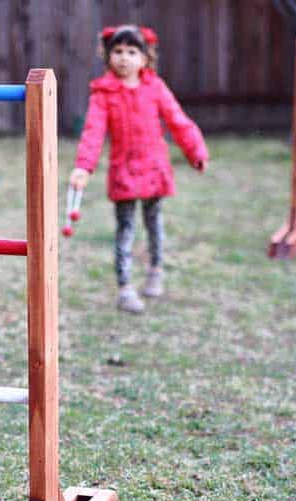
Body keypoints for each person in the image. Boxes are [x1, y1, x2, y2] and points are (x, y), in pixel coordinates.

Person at [70, 25, 209, 314]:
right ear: (108, 57)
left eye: (132, 52)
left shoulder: (155, 87)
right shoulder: (103, 93)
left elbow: (177, 120)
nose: (124, 58)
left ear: (145, 58)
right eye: (118, 51)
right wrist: (84, 167)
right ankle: (125, 288)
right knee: (125, 229)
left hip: (154, 167)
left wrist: (195, 151)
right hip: (124, 171)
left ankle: (156, 270)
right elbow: (93, 133)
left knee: (154, 223)